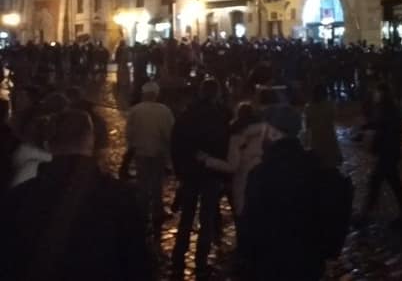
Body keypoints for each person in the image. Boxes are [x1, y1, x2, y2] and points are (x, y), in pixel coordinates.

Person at [0, 109, 154, 280]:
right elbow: (138, 265)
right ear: (91, 140)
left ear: (49, 144)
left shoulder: (18, 198)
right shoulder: (122, 198)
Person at [241, 103, 351, 281]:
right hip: (309, 264)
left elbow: (251, 226)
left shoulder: (261, 175)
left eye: (264, 130)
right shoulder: (316, 168)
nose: (262, 135)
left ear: (273, 133)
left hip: (271, 266)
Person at [170, 78, 230, 279]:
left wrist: (179, 171)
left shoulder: (187, 115)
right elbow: (225, 146)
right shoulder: (221, 116)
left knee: (186, 217)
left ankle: (178, 257)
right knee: (207, 218)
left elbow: (176, 144)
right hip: (211, 173)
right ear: (217, 94)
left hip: (189, 173)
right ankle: (201, 261)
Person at [125, 81, 175, 244]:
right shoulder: (164, 111)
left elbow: (129, 132)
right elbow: (170, 132)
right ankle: (157, 210)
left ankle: (143, 211)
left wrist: (132, 147)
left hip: (141, 152)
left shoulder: (135, 110)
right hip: (158, 151)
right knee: (156, 182)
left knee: (143, 182)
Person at [357, 82, 402, 229]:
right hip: (389, 153)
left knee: (375, 182)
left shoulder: (388, 110)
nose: (375, 95)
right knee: (393, 184)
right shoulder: (386, 109)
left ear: (382, 94)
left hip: (388, 153)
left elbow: (387, 130)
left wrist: (375, 140)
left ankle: (364, 215)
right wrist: (367, 127)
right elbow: (380, 125)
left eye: (377, 92)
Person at [302, 83, 342, 169]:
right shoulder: (330, 105)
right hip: (328, 136)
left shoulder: (309, 107)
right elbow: (334, 117)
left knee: (319, 162)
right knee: (330, 162)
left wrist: (306, 141)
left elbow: (307, 125)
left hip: (316, 137)